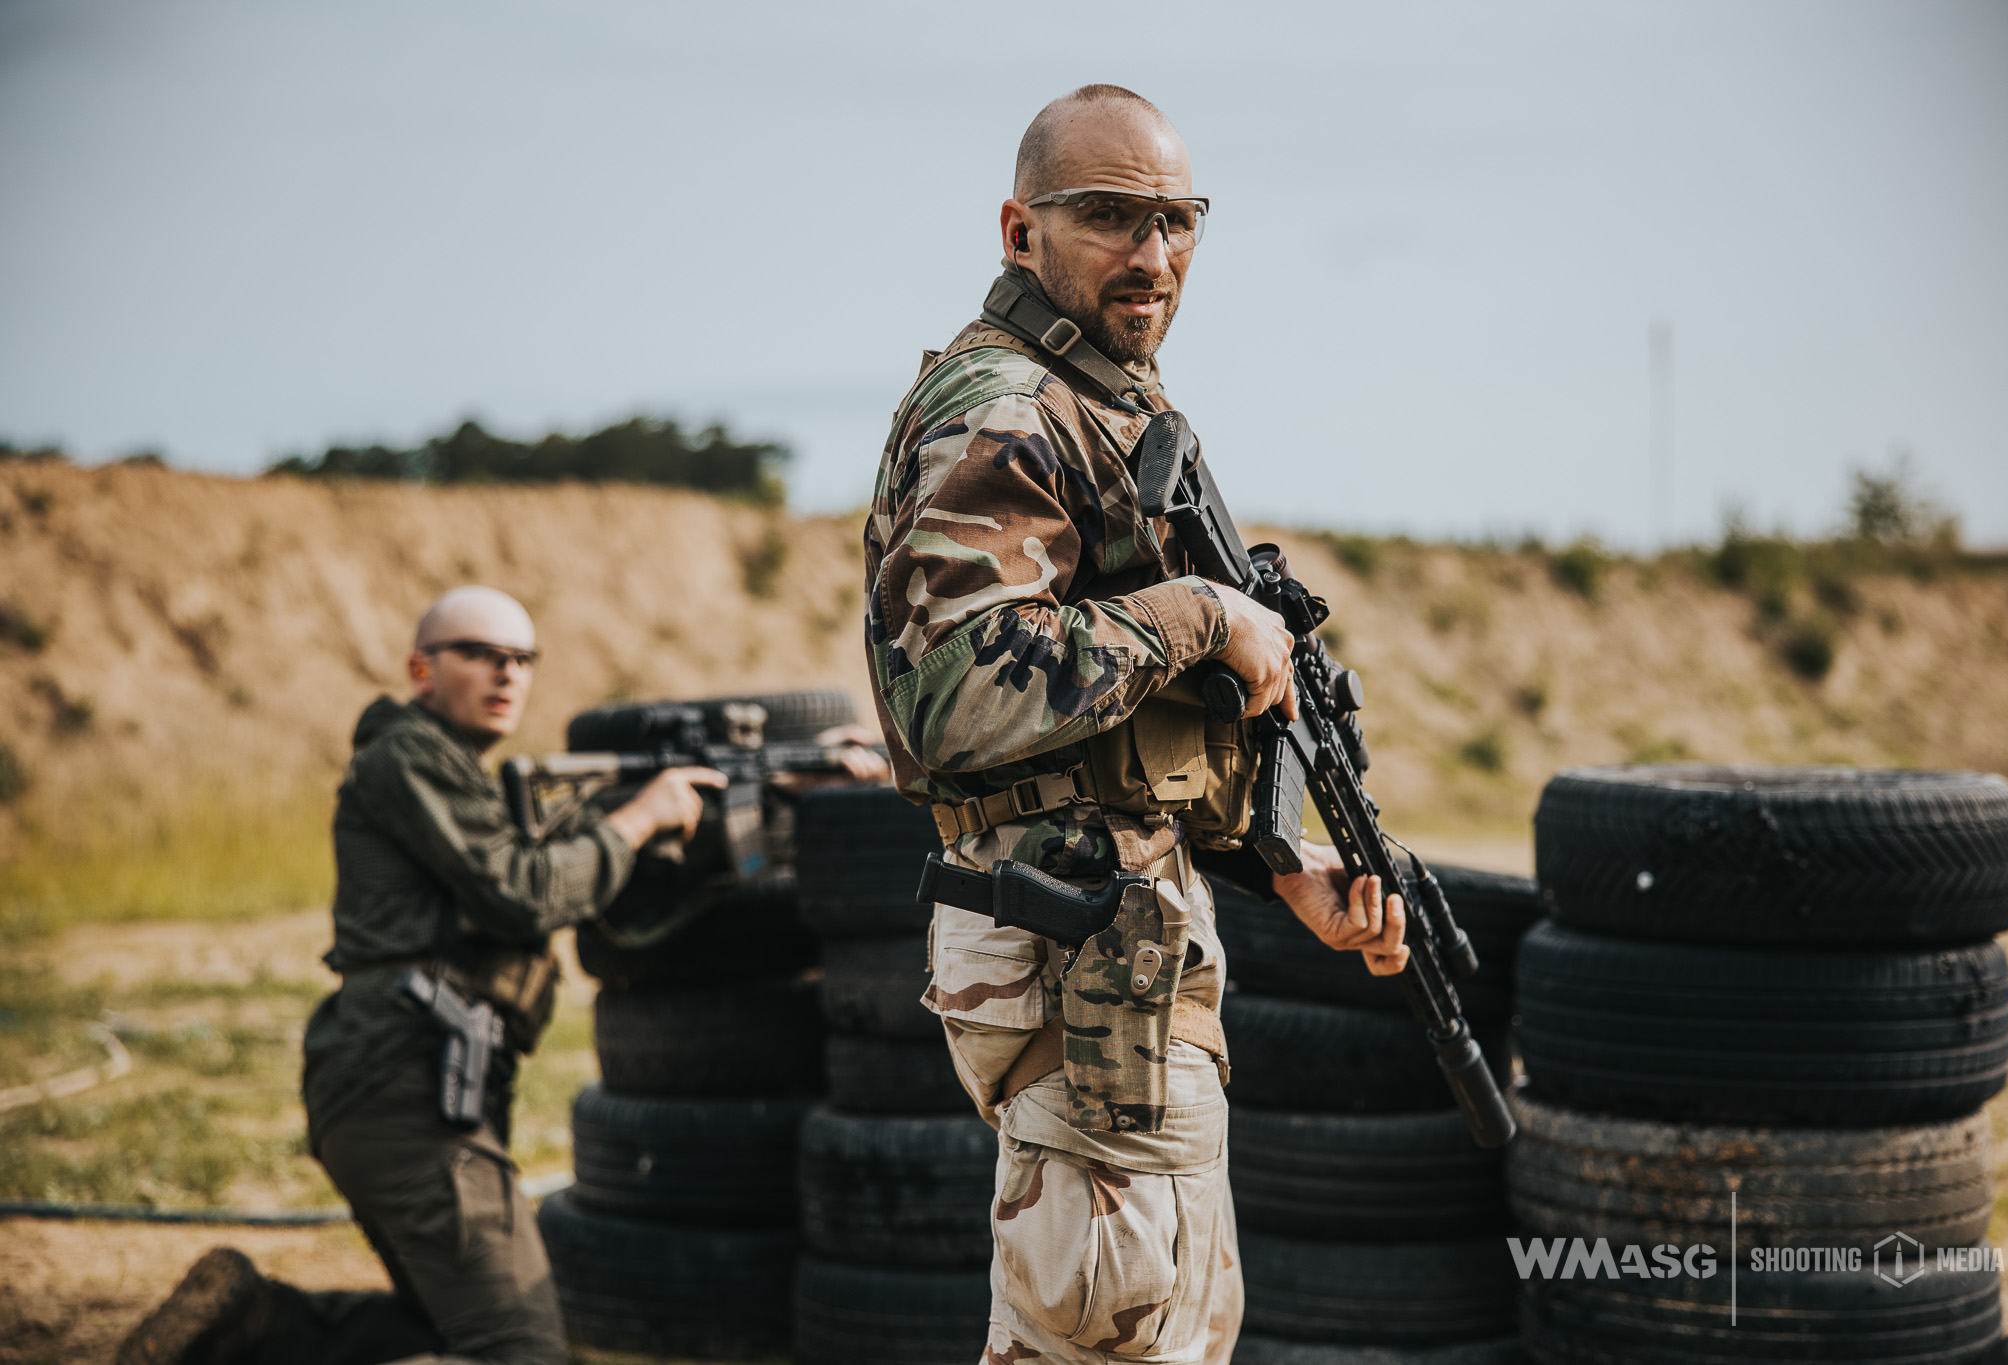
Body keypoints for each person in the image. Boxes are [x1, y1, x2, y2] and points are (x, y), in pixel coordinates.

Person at [863, 87, 1411, 1364]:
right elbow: (955, 696)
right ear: (1020, 231)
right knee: (1109, 1339)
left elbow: (1106, 749)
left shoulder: (1098, 404)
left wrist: (1273, 862)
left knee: (1169, 1335)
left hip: (1127, 942)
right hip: (1072, 952)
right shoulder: (1004, 405)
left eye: (1177, 221)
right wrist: (1200, 617)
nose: (1151, 255)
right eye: (1109, 216)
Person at [119, 586, 729, 1365]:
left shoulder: (468, 781)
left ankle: (258, 1327)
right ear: (421, 669)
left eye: (522, 659)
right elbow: (524, 891)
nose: (506, 673)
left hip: (413, 1090)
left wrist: (810, 777)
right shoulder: (409, 756)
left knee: (445, 1332)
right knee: (520, 1353)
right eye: (479, 653)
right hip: (407, 1093)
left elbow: (561, 856)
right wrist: (640, 817)